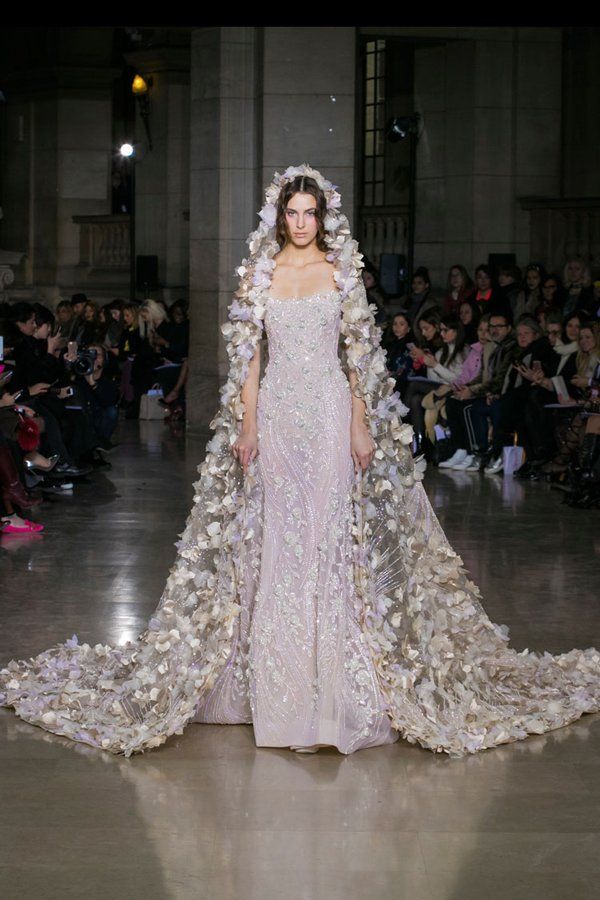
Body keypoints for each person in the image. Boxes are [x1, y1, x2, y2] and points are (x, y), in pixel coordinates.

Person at [2, 164, 600, 759]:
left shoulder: (342, 272)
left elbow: (361, 358)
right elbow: (251, 361)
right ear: (278, 216)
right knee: (280, 537)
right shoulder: (259, 276)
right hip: (281, 415)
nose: (302, 223)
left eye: (310, 213)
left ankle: (335, 692)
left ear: (324, 216)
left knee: (332, 538)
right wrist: (249, 422)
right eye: (292, 213)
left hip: (332, 409)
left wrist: (361, 426)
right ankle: (278, 688)